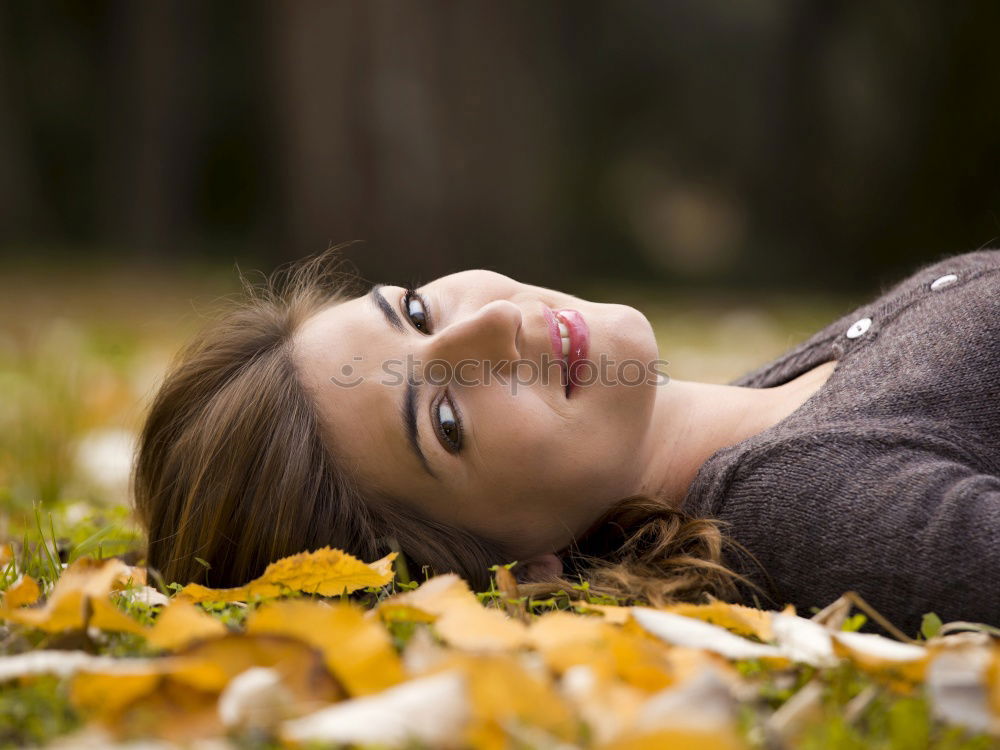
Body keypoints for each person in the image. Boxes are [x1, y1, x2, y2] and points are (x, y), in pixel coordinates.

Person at [133, 247, 1000, 638]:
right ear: (519, 571)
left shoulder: (760, 408)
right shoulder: (820, 507)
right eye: (444, 420)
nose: (498, 324)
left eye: (417, 313)